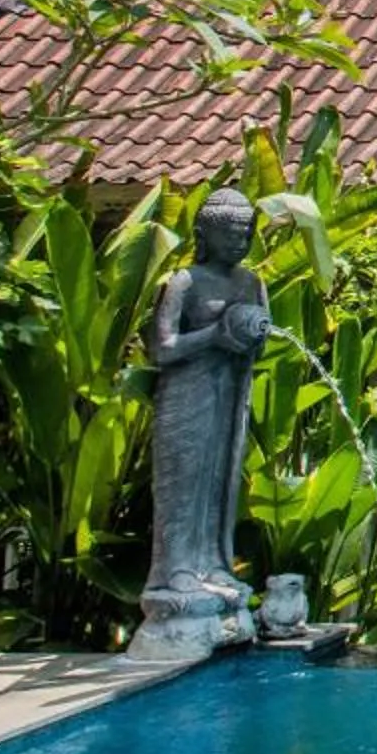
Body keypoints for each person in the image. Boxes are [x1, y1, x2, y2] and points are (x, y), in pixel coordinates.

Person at [141, 188, 271, 629]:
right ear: (206, 234)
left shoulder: (251, 282)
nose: (239, 242)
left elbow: (262, 333)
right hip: (186, 393)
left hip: (229, 391)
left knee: (221, 477)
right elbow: (162, 347)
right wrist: (216, 334)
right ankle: (175, 567)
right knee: (183, 479)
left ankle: (214, 562)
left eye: (246, 234)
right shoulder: (185, 281)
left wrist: (251, 332)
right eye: (230, 234)